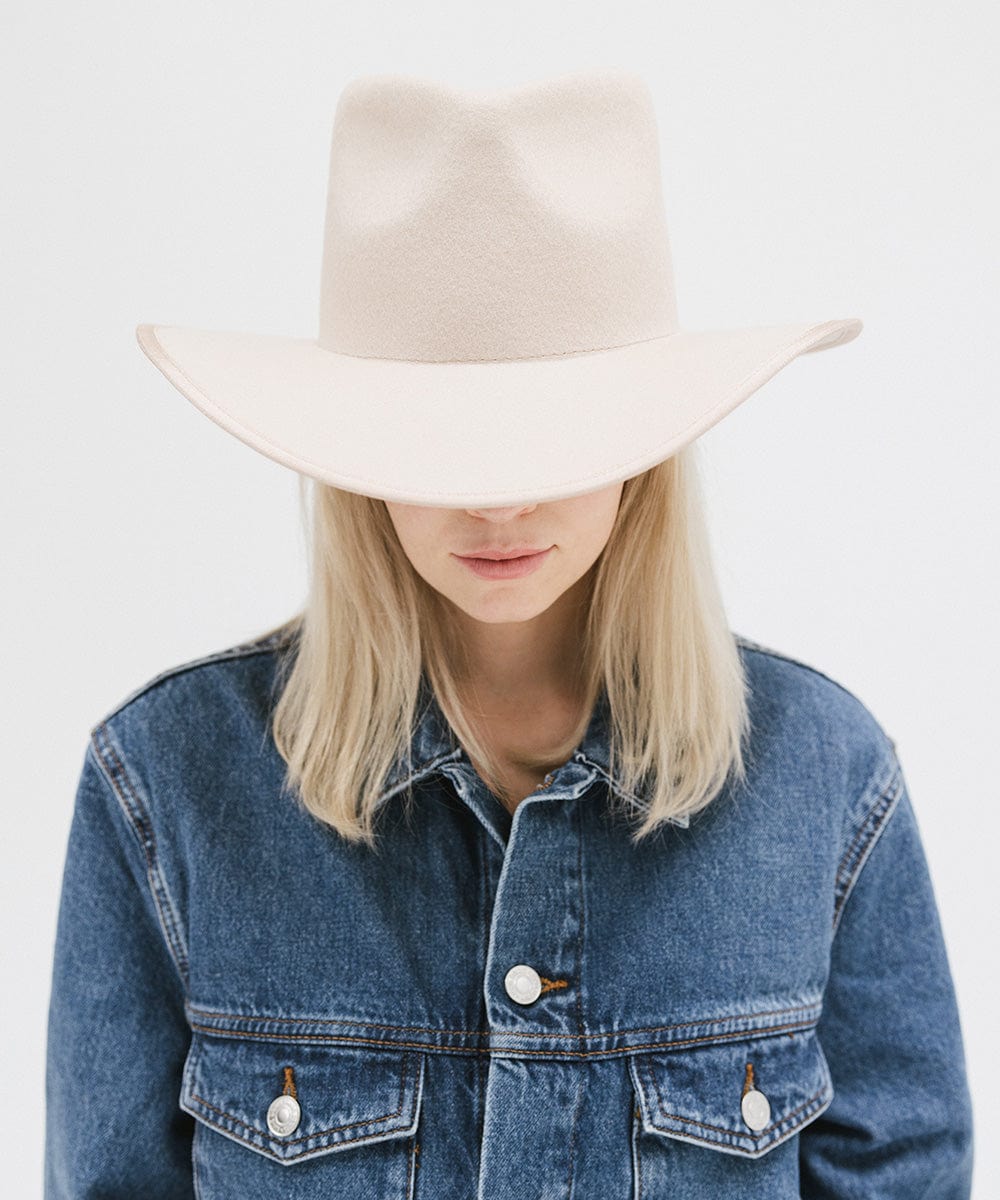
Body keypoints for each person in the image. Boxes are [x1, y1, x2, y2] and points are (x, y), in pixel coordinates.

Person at [45, 69, 974, 1198]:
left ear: (646, 451)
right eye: (439, 446)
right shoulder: (169, 786)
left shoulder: (824, 779)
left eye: (553, 438)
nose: (497, 504)